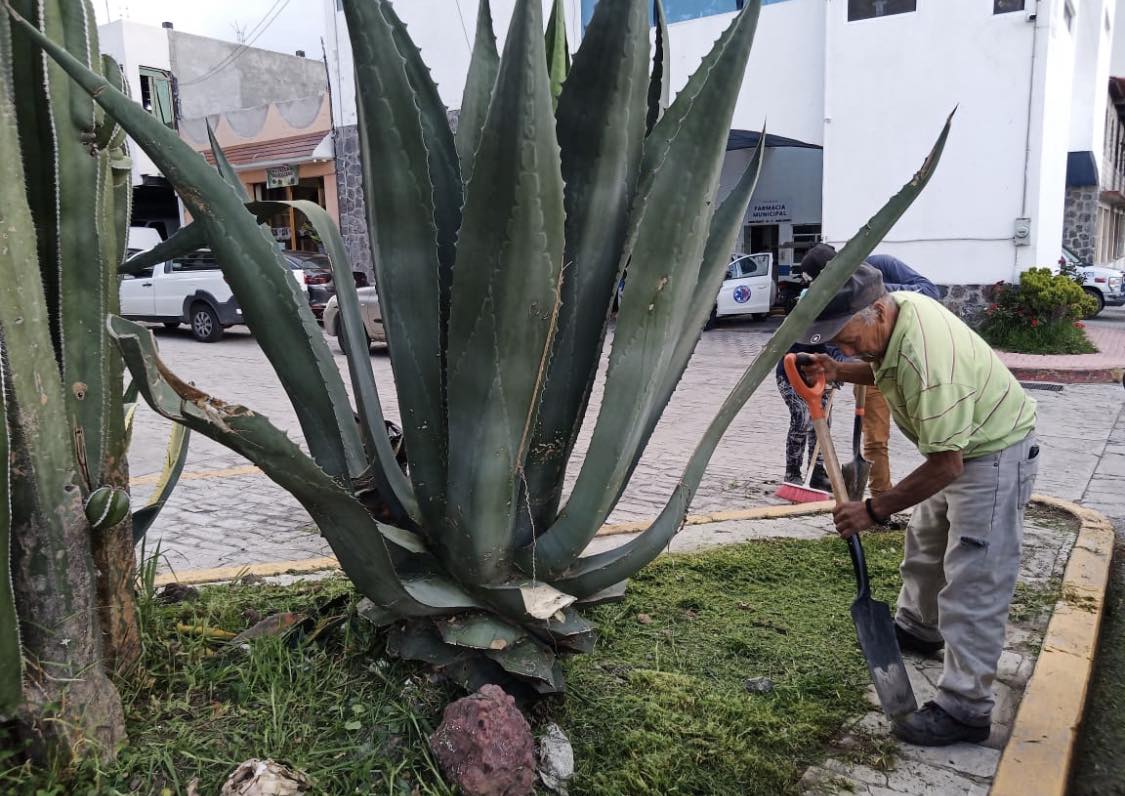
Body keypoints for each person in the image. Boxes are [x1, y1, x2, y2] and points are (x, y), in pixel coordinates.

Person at [798, 265, 1038, 747]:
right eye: (834, 345)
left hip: (991, 455)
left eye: (844, 340)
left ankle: (965, 708)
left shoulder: (926, 360)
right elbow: (883, 363)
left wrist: (873, 509)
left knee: (974, 580)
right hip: (958, 448)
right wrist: (839, 370)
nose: (841, 349)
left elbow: (947, 465)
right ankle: (919, 628)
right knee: (925, 546)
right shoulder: (899, 317)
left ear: (878, 312)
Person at [801, 245, 940, 497]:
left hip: (910, 356)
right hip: (868, 365)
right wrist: (841, 366)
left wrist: (877, 294)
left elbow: (930, 291)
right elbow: (833, 343)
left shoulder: (882, 265)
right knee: (875, 438)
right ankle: (880, 494)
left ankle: (939, 489)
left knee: (935, 436)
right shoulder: (826, 299)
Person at [775, 340, 845, 490]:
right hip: (791, 375)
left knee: (823, 422)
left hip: (820, 377)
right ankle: (792, 473)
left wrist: (841, 371)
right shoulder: (807, 326)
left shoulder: (840, 326)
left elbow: (840, 353)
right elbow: (793, 354)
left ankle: (816, 473)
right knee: (802, 417)